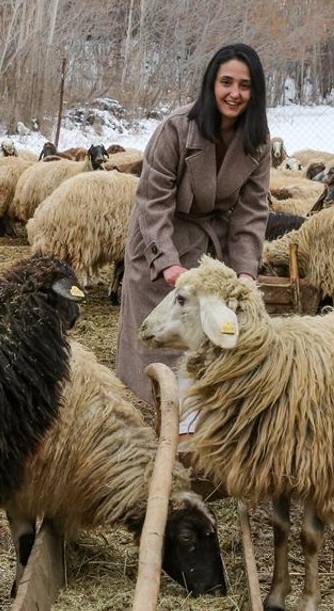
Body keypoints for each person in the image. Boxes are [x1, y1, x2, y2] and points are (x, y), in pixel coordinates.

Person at [115, 43, 272, 406]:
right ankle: (149, 410)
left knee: (208, 337)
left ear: (256, 91)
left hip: (210, 248)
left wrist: (245, 272)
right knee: (157, 335)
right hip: (161, 238)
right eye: (227, 82)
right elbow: (153, 200)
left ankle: (193, 418)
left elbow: (252, 211)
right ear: (211, 84)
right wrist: (168, 263)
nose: (235, 93)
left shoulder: (258, 141)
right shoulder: (176, 129)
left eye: (245, 85)